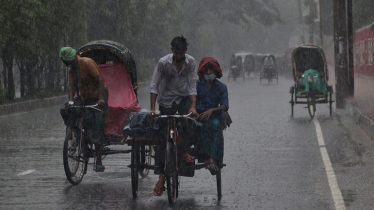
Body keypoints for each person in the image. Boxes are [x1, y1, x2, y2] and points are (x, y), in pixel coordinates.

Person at [149, 35, 198, 196]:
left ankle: (182, 151)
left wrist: (193, 106)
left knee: (189, 126)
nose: (180, 56)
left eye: (182, 52)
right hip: (166, 101)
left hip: (183, 100)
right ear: (172, 51)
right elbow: (154, 86)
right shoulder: (163, 63)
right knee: (162, 138)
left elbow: (192, 86)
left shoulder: (190, 63)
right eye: (177, 53)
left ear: (186, 51)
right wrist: (152, 109)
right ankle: (162, 177)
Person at [59, 47, 108, 172]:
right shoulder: (72, 70)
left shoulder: (87, 63)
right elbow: (72, 86)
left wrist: (101, 99)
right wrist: (70, 101)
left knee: (96, 125)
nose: (70, 65)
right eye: (67, 63)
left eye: (71, 62)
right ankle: (76, 133)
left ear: (76, 57)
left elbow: (100, 79)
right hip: (84, 97)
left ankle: (98, 160)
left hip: (98, 96)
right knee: (65, 109)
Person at [196, 57, 229, 175]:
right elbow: (191, 101)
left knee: (216, 127)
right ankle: (205, 158)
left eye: (211, 70)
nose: (209, 73)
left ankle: (214, 159)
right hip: (198, 115)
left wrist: (212, 111)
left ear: (216, 71)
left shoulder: (222, 87)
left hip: (215, 116)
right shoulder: (196, 85)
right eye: (206, 70)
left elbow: (225, 106)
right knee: (198, 127)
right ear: (202, 71)